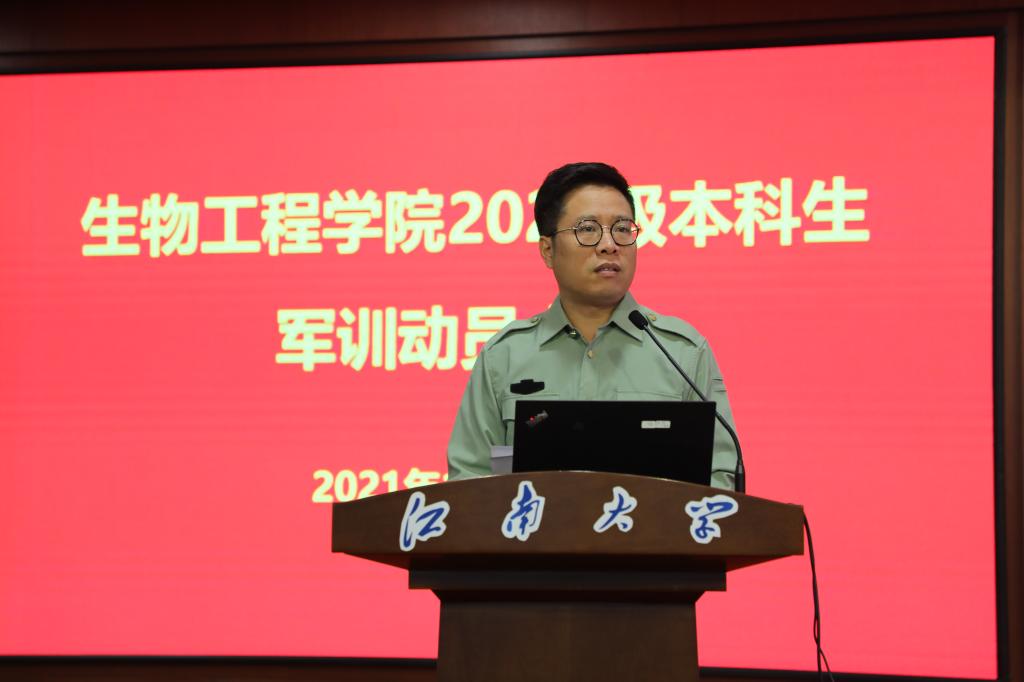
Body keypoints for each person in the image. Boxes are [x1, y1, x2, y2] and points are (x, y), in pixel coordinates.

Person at [446, 162, 739, 490]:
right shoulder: (504, 357)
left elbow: (721, 479)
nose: (609, 244)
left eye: (622, 228)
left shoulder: (682, 352)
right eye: (587, 229)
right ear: (548, 250)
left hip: (654, 525)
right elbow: (469, 484)